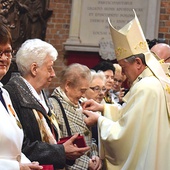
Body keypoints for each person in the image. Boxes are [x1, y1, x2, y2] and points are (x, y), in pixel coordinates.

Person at [82, 11, 170, 170]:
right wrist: (103, 108)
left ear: (137, 62)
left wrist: (99, 120)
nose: (122, 74)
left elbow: (125, 135)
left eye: (123, 67)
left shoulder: (146, 87)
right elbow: (134, 117)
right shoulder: (155, 82)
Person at [4, 39, 90, 169]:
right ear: (34, 69)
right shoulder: (12, 94)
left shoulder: (41, 93)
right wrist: (61, 151)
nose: (53, 74)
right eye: (49, 68)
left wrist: (65, 151)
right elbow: (20, 146)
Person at [0, 23, 42, 169]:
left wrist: (26, 163)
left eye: (8, 52)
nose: (4, 58)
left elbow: (12, 148)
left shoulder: (4, 93)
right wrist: (16, 167)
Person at [49, 63, 102, 170]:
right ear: (68, 86)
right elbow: (55, 146)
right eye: (82, 91)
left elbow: (90, 138)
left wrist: (94, 156)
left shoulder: (82, 104)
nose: (83, 95)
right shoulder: (53, 106)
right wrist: (86, 164)